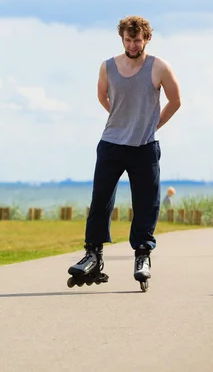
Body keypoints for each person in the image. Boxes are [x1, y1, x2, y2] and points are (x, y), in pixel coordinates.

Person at [68, 16, 181, 291]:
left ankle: (142, 255)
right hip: (111, 144)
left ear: (147, 39)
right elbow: (102, 96)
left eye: (137, 40)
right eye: (128, 40)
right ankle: (93, 255)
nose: (132, 45)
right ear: (122, 39)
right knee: (101, 200)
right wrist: (122, 119)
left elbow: (175, 101)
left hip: (144, 147)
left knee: (146, 203)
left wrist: (152, 124)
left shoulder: (159, 67)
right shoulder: (108, 67)